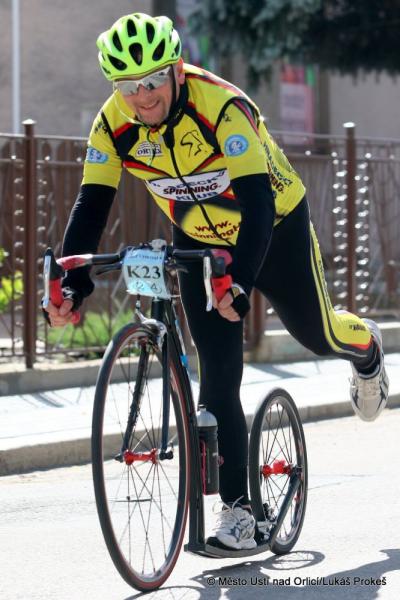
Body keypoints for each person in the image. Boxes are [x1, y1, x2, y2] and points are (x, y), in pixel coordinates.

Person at [44, 12, 389, 551]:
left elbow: (257, 202)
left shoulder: (222, 107)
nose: (142, 97)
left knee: (318, 334)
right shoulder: (111, 125)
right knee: (218, 374)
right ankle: (240, 512)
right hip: (200, 243)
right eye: (128, 86)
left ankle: (366, 349)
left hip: (272, 229)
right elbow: (91, 206)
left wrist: (242, 281)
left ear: (177, 70)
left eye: (153, 81)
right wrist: (73, 285)